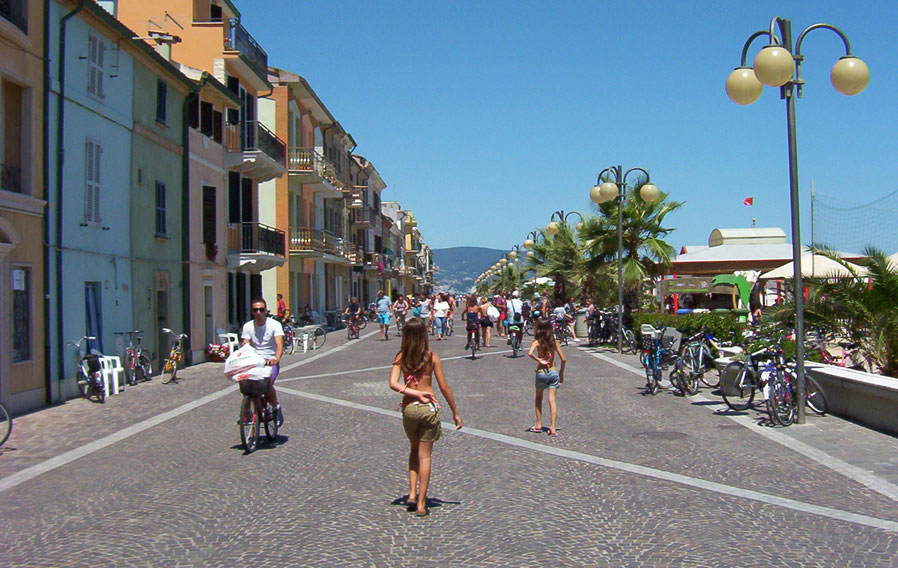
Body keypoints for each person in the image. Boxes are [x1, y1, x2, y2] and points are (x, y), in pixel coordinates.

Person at [388, 317, 462, 517]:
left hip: (410, 409)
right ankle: (421, 503)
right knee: (425, 455)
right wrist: (455, 412)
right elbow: (444, 387)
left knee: (413, 451)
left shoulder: (401, 356)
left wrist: (412, 393)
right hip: (429, 408)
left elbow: (392, 383)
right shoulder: (432, 357)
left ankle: (411, 494)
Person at [242, 297, 285, 426]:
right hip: (255, 360)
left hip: (270, 360)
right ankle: (247, 413)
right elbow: (246, 344)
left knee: (267, 383)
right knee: (245, 384)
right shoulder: (248, 326)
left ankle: (275, 406)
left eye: (261, 310)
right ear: (252, 312)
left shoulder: (274, 325)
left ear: (266, 310)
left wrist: (276, 359)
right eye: (256, 310)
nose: (258, 313)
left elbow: (279, 344)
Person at [527, 318, 566, 436]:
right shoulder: (554, 341)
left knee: (539, 398)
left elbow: (529, 353)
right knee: (552, 400)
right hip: (553, 372)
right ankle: (553, 427)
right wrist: (561, 374)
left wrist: (539, 360)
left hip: (541, 372)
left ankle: (538, 424)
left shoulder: (537, 341)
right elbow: (563, 359)